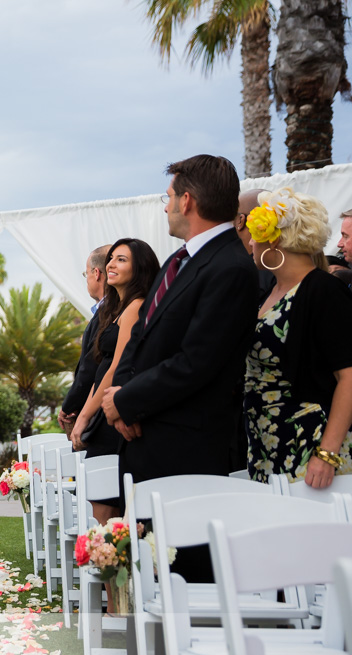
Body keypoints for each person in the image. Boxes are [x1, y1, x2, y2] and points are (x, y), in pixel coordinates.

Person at [102, 155, 258, 583]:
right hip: (144, 438)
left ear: (187, 200)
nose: (165, 205)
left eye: (168, 197)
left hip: (187, 448)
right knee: (146, 575)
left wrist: (127, 401)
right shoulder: (176, 262)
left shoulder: (231, 268)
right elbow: (140, 339)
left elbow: (198, 362)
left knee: (182, 578)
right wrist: (121, 402)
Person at [242, 187, 352, 486]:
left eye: (255, 233)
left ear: (274, 239)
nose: (251, 242)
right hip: (267, 443)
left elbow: (349, 376)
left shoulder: (322, 290)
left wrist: (327, 453)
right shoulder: (270, 293)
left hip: (308, 446)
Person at [71, 239, 159, 509]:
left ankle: (106, 552)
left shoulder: (136, 307)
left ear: (140, 268)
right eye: (111, 258)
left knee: (106, 506)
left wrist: (84, 416)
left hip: (112, 415)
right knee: (101, 501)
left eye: (121, 259)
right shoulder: (119, 308)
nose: (111, 264)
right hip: (104, 410)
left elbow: (115, 367)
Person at [59, 245, 111, 436]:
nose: (87, 279)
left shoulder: (108, 313)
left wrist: (68, 406)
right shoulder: (106, 311)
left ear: (96, 273)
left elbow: (90, 366)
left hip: (100, 417)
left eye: (85, 273)